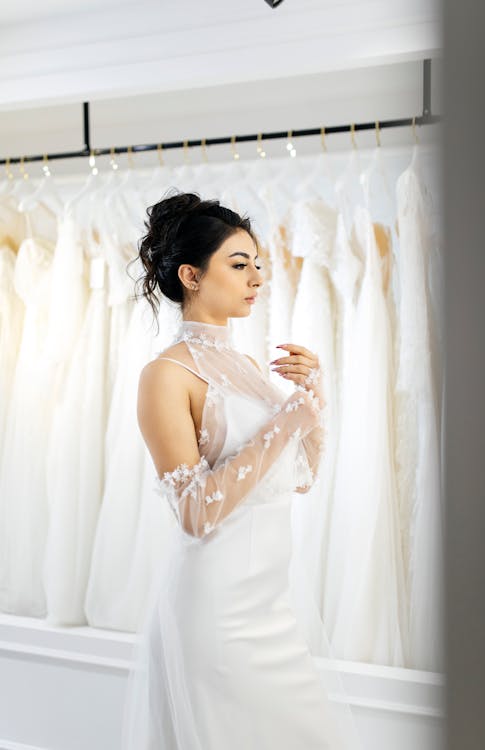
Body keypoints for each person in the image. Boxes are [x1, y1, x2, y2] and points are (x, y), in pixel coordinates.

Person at [121, 190, 360, 749]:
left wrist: (311, 393)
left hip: (270, 605)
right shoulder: (165, 375)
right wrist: (287, 420)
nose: (257, 276)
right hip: (216, 612)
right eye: (239, 263)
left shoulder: (249, 367)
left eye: (258, 263)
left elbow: (298, 475)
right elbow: (194, 513)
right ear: (191, 275)